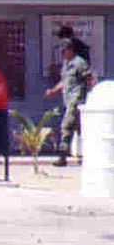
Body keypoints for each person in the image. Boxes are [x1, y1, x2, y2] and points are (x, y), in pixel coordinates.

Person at [45, 38, 93, 167]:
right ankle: (90, 155)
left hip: (76, 101)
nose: (62, 54)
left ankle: (62, 157)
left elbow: (89, 78)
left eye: (64, 51)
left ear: (70, 50)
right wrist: (53, 91)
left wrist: (93, 94)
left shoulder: (79, 63)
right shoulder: (67, 64)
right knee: (81, 129)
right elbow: (64, 82)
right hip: (68, 101)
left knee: (66, 127)